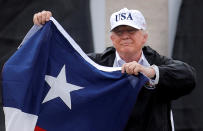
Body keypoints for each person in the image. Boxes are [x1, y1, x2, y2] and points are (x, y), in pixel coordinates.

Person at [33, 8, 196, 131]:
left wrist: (150, 72)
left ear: (144, 37)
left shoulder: (156, 62)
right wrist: (42, 30)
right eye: (119, 32)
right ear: (112, 39)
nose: (125, 36)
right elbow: (55, 63)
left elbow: (188, 76)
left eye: (131, 30)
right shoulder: (95, 63)